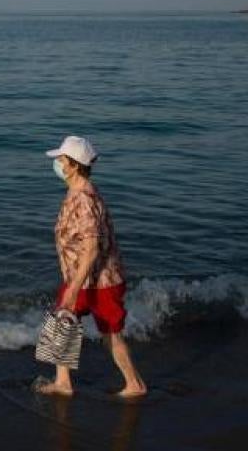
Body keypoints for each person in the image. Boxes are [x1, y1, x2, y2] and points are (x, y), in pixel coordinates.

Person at [36, 135, 147, 399]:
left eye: (61, 160)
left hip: (98, 281)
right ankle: (63, 381)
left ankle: (135, 384)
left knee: (110, 334)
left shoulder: (84, 200)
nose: (58, 164)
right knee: (62, 321)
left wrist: (74, 288)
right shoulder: (78, 193)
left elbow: (92, 248)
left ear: (73, 165)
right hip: (83, 277)